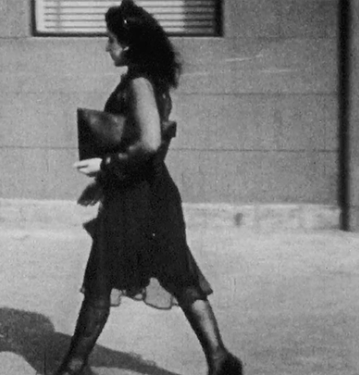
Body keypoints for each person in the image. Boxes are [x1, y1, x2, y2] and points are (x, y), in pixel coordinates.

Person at [53, 1, 243, 374]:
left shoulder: (138, 82)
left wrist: (106, 166)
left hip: (137, 201)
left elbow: (150, 142)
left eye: (110, 40)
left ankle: (73, 368)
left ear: (128, 45)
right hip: (152, 196)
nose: (106, 47)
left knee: (100, 283)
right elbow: (140, 143)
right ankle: (220, 359)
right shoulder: (148, 81)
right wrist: (103, 183)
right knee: (180, 278)